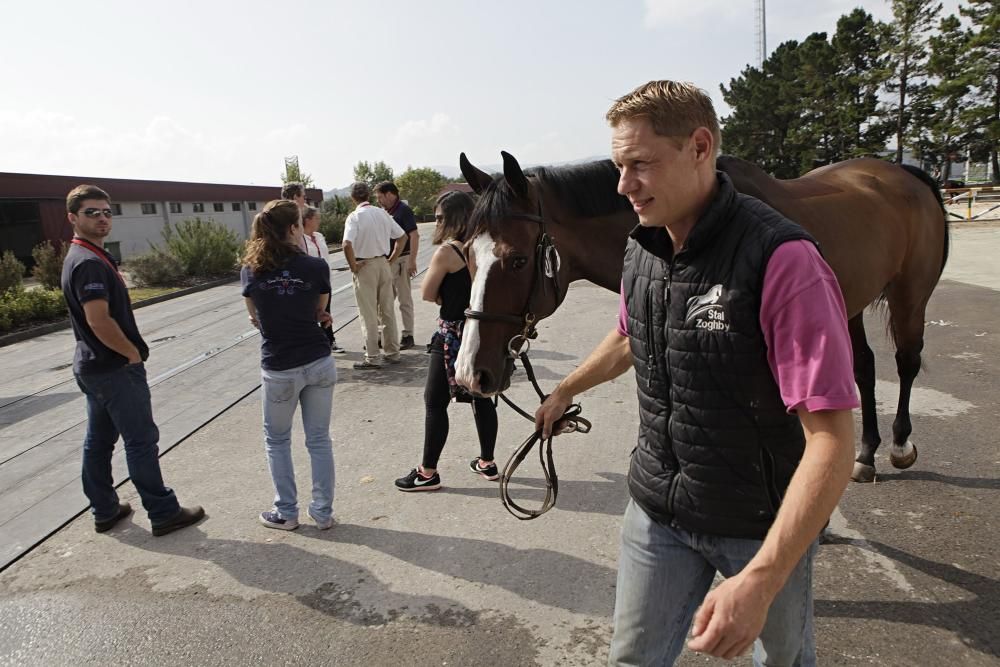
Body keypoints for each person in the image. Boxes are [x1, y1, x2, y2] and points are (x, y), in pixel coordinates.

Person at [533, 81, 859, 665]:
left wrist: (762, 577)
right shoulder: (641, 249)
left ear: (701, 147)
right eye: (618, 165)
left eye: (640, 164)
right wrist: (564, 390)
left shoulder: (783, 260)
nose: (623, 185)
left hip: (756, 523)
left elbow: (832, 441)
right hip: (658, 511)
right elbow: (631, 334)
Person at [61, 184, 204, 536]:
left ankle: (105, 509)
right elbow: (98, 320)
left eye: (107, 212)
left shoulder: (84, 256)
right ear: (72, 218)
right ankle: (163, 511)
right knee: (140, 440)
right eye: (91, 212)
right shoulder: (90, 263)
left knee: (99, 441)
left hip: (93, 367)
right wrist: (130, 354)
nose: (102, 218)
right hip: (113, 369)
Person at [241, 199, 337, 531]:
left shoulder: (251, 269)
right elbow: (318, 311)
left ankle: (287, 512)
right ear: (294, 228)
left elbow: (254, 317)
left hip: (279, 365)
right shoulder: (315, 267)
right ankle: (323, 513)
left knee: (278, 440)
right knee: (319, 439)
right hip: (317, 360)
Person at [395, 191, 499, 491]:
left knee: (435, 403)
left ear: (454, 217)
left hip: (451, 334)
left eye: (440, 216)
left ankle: (427, 473)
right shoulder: (485, 247)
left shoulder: (448, 252)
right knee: (482, 398)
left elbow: (427, 293)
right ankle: (487, 462)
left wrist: (450, 298)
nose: (437, 221)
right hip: (482, 333)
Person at [341, 181, 407, 370]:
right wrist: (391, 259)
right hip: (383, 263)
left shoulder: (354, 217)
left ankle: (373, 356)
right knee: (387, 310)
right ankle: (393, 352)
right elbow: (402, 237)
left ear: (353, 198)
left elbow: (347, 244)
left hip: (365, 265)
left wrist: (353, 265)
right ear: (369, 195)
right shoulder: (382, 214)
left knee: (368, 313)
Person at [375, 181, 419, 350]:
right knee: (383, 300)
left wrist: (412, 261)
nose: (379, 200)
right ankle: (380, 335)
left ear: (390, 194)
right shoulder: (384, 211)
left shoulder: (403, 211)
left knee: (404, 299)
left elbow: (414, 235)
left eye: (380, 197)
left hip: (402, 260)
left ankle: (408, 334)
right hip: (388, 261)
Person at [301, 205, 346, 354]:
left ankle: (330, 341)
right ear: (307, 220)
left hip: (325, 282)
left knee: (326, 311)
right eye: (316, 218)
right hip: (309, 284)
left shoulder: (319, 236)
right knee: (311, 314)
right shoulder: (301, 239)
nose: (319, 221)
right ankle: (313, 345)